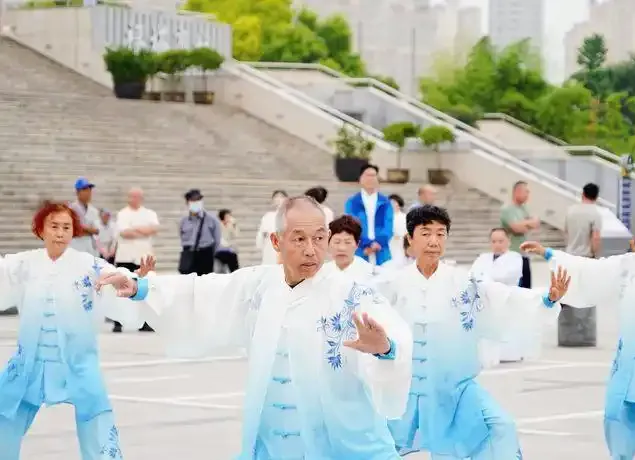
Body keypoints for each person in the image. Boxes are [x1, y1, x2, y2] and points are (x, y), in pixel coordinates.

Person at [99, 196, 413, 459]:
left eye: (319, 238)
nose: (311, 249)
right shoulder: (259, 286)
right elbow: (199, 292)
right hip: (272, 444)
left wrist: (386, 349)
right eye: (299, 239)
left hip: (334, 446)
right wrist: (141, 287)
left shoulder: (349, 293)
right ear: (276, 241)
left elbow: (394, 334)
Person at [376, 205, 570, 459]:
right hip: (403, 386)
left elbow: (503, 297)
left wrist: (546, 299)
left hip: (455, 388)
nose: (434, 241)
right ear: (410, 239)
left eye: (440, 234)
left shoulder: (465, 282)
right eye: (426, 233)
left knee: (500, 427)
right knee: (380, 446)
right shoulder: (392, 283)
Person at [521, 208, 635, 460]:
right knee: (618, 410)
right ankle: (621, 456)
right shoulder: (626, 266)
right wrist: (548, 253)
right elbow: (590, 269)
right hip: (632, 356)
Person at [0, 201, 145, 459]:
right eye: (54, 226)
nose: (60, 233)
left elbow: (116, 275)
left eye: (66, 227)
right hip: (29, 363)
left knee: (97, 420)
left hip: (77, 362)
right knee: (4, 415)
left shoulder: (87, 264)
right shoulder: (24, 263)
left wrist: (132, 281)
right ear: (40, 229)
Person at [470, 228, 525, 368]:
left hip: (506, 298)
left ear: (508, 241)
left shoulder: (515, 258)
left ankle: (509, 354)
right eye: (494, 241)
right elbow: (473, 274)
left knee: (506, 328)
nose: (497, 245)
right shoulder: (483, 258)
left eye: (501, 241)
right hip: (486, 299)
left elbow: (506, 276)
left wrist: (486, 278)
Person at [113, 187, 160, 333]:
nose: (134, 199)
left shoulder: (150, 214)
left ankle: (146, 322)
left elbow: (153, 229)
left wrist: (134, 229)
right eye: (132, 196)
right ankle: (118, 322)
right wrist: (143, 231)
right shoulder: (122, 214)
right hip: (125, 256)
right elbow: (124, 232)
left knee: (145, 289)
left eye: (137, 196)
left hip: (143, 257)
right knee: (121, 287)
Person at [344, 164, 394, 266]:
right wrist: (367, 244)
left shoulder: (385, 202)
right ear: (360, 179)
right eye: (367, 175)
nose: (371, 178)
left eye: (373, 175)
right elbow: (351, 226)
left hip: (381, 250)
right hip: (361, 250)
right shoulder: (352, 202)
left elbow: (388, 226)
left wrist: (378, 243)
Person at [500, 181, 540, 289]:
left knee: (526, 289)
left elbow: (536, 222)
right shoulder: (507, 209)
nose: (528, 195)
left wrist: (523, 224)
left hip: (524, 254)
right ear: (517, 192)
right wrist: (527, 224)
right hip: (512, 254)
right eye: (526, 192)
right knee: (515, 288)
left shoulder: (524, 208)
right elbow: (517, 228)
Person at [179, 189, 221, 275]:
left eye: (198, 200)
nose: (196, 203)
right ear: (188, 202)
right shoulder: (184, 221)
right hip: (189, 254)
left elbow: (217, 239)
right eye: (193, 200)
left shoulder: (211, 219)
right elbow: (182, 236)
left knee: (205, 280)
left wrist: (211, 254)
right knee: (188, 280)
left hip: (205, 253)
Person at [326, 215, 375, 281]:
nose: (342, 248)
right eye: (337, 242)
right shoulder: (322, 273)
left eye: (347, 242)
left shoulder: (369, 274)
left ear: (357, 244)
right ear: (328, 243)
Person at [565, 183, 602, 258]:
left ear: (583, 194)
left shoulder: (570, 210)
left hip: (569, 255)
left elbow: (566, 232)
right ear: (596, 197)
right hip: (586, 257)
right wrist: (595, 254)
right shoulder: (595, 214)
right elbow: (596, 238)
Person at [69, 177, 100, 256]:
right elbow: (75, 228)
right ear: (78, 192)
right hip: (76, 245)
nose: (88, 193)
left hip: (90, 246)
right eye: (85, 190)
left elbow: (97, 230)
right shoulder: (71, 208)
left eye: (90, 190)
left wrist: (85, 229)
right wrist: (89, 230)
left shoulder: (94, 210)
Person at [256, 190, 288, 265]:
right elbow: (261, 236)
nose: (279, 199)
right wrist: (263, 235)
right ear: (273, 201)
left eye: (281, 197)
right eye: (276, 197)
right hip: (270, 252)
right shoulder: (267, 217)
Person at [215, 209, 240, 273]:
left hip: (229, 249)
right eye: (227, 216)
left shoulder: (230, 225)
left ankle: (235, 272)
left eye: (229, 216)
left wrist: (234, 225)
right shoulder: (217, 225)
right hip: (219, 250)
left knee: (233, 256)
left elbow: (236, 235)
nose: (229, 218)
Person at [389, 194, 407, 264]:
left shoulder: (404, 217)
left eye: (394, 202)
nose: (392, 205)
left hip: (400, 245)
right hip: (389, 244)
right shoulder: (386, 218)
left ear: (398, 204)